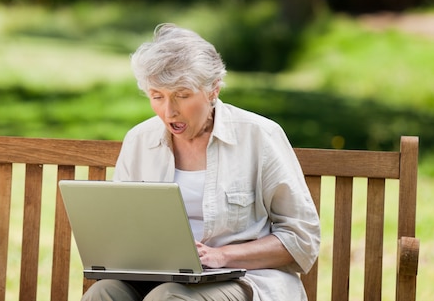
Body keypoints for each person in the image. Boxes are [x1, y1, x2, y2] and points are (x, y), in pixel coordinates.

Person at [82, 23, 320, 301]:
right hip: (158, 278)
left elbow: (302, 239)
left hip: (246, 278)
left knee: (169, 298)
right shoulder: (140, 140)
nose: (169, 111)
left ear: (213, 90)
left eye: (182, 95)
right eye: (157, 96)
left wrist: (222, 256)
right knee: (104, 292)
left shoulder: (259, 136)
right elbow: (121, 230)